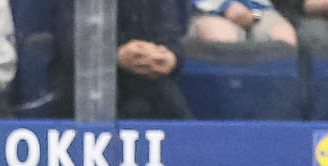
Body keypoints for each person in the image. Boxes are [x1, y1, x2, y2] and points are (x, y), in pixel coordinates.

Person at [50, 0, 194, 119]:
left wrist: (170, 58)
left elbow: (172, 36)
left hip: (154, 89)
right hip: (84, 93)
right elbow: (67, 40)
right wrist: (115, 55)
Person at [189, 0, 298, 46]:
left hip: (258, 11)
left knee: (284, 37)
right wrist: (225, 6)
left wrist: (252, 14)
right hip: (207, 12)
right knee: (223, 37)